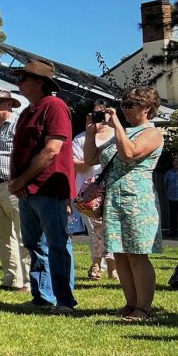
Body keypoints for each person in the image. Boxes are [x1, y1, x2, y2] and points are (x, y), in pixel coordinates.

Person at [86, 87, 164, 322]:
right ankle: (130, 304)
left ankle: (143, 308)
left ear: (147, 108)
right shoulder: (123, 132)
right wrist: (91, 133)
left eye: (131, 105)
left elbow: (130, 154)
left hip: (136, 200)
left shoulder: (152, 133)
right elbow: (91, 159)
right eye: (123, 104)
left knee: (137, 255)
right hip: (114, 199)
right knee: (120, 253)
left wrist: (116, 124)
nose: (125, 109)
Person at [9, 59, 78, 313]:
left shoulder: (55, 106)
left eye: (23, 78)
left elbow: (52, 150)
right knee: (34, 243)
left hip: (49, 190)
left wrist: (20, 181)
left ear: (39, 82)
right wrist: (17, 184)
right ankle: (42, 296)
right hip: (27, 190)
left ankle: (64, 300)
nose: (19, 82)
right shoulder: (27, 111)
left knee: (57, 244)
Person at [0, 88, 31, 292]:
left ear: (8, 104)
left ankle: (28, 281)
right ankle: (11, 278)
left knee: (22, 234)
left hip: (12, 184)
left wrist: (19, 181)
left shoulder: (19, 124)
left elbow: (25, 154)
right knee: (2, 235)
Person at [72, 102, 116, 281]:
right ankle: (96, 264)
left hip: (113, 189)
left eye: (103, 113)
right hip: (89, 192)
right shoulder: (81, 138)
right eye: (96, 113)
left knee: (112, 229)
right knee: (94, 230)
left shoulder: (118, 135)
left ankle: (113, 267)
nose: (100, 117)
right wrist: (94, 159)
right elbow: (74, 164)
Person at [164, 159, 178, 237]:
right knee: (173, 216)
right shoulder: (168, 173)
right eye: (175, 162)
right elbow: (166, 184)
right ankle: (173, 232)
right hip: (172, 197)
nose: (176, 163)